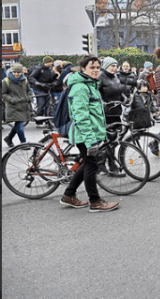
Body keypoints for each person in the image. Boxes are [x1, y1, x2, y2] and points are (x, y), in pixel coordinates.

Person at [60, 55, 119, 212]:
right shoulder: (80, 87)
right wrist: (91, 140)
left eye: (98, 68)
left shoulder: (90, 85)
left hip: (89, 134)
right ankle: (95, 201)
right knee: (91, 166)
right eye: (92, 67)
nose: (95, 70)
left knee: (87, 164)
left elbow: (92, 111)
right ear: (83, 69)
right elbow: (81, 117)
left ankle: (69, 195)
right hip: (85, 135)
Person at [2, 63, 31, 147]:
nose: (17, 74)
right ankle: (23, 142)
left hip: (23, 105)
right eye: (15, 72)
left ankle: (9, 138)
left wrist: (29, 97)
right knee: (20, 124)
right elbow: (3, 94)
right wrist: (12, 100)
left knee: (18, 124)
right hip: (13, 106)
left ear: (22, 72)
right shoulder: (6, 81)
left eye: (19, 72)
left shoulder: (25, 80)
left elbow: (28, 90)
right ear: (12, 71)